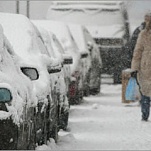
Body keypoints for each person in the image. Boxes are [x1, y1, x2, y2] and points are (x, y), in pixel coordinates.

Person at [131, 12, 151, 121]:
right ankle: (145, 113)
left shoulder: (143, 34)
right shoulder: (143, 34)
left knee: (145, 92)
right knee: (145, 91)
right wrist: (134, 68)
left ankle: (145, 113)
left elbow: (137, 52)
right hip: (146, 66)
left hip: (145, 65)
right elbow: (137, 52)